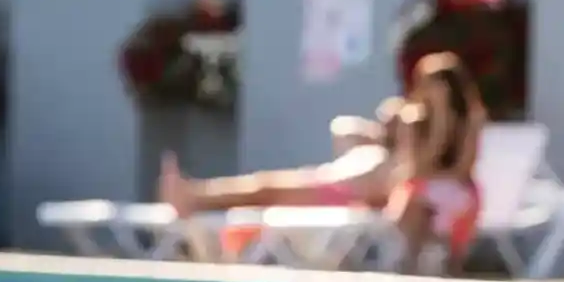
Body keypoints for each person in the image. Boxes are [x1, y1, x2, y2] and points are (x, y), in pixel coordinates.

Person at [159, 97, 405, 214]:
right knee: (261, 184)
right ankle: (194, 193)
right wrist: (381, 132)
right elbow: (342, 127)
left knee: (262, 189)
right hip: (323, 185)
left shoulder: (396, 163)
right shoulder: (374, 151)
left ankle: (195, 198)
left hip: (330, 195)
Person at [387, 52, 486, 275]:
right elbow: (416, 169)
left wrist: (448, 120)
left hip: (457, 190)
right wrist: (439, 128)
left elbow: (463, 170)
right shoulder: (412, 119)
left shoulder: (471, 121)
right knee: (417, 202)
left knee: (435, 199)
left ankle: (447, 268)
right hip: (421, 190)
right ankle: (409, 268)